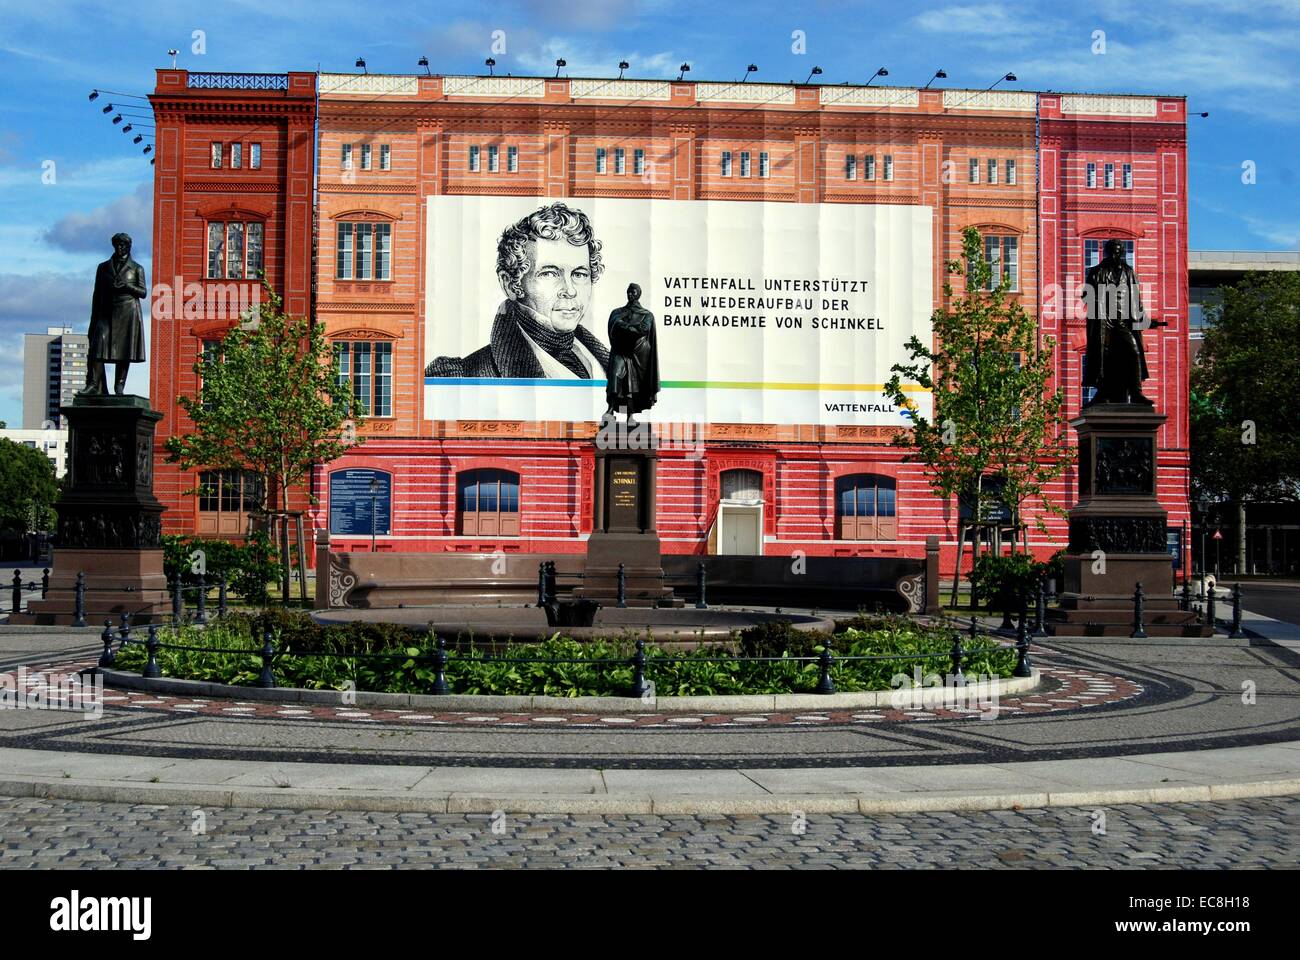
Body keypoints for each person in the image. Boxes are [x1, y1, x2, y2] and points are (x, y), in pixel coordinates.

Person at [426, 202, 610, 379]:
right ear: (511, 285)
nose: (570, 290)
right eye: (549, 274)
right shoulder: (466, 374)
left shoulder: (610, 363)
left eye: (579, 274)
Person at [1083, 238, 1152, 406]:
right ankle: (1102, 393)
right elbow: (1086, 296)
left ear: (1122, 253)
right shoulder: (1095, 271)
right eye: (1113, 250)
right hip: (1103, 320)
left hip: (1122, 321)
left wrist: (1144, 319)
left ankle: (1136, 392)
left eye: (1119, 250)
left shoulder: (1129, 272)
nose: (1116, 253)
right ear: (1107, 252)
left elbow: (1136, 300)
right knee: (1103, 356)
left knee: (1134, 351)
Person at [84, 232, 147, 395]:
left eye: (123, 245)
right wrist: (93, 321)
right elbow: (96, 294)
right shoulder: (103, 267)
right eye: (117, 245)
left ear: (128, 247)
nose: (120, 248)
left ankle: (119, 385)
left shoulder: (137, 268)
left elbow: (143, 292)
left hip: (128, 312)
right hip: (106, 311)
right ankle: (93, 383)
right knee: (98, 345)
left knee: (124, 350)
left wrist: (126, 287)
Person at [604, 283, 660, 426]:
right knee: (615, 377)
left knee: (632, 385)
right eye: (629, 291)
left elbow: (642, 329)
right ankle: (610, 410)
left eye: (633, 292)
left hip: (638, 354)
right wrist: (625, 327)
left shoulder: (646, 315)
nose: (631, 294)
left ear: (638, 294)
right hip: (620, 350)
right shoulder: (617, 312)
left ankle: (630, 416)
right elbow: (612, 327)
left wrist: (623, 326)